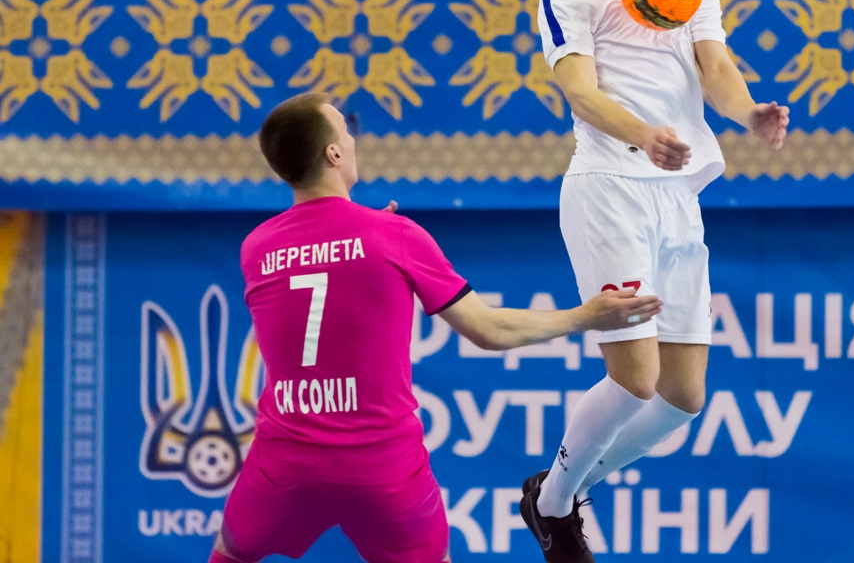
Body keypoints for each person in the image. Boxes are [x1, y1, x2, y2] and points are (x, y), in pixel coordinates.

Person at [209, 92, 662, 563]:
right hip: (383, 469)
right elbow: (489, 330)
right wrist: (588, 316)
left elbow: (324, 266)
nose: (354, 137)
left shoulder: (255, 248)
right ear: (334, 154)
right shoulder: (394, 236)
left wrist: (371, 239)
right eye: (347, 129)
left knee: (230, 553)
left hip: (284, 467)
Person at [521, 0, 790, 563]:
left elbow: (717, 69)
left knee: (682, 397)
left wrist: (748, 113)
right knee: (634, 378)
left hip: (679, 196)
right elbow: (579, 91)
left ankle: (556, 492)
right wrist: (643, 135)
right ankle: (555, 507)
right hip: (610, 188)